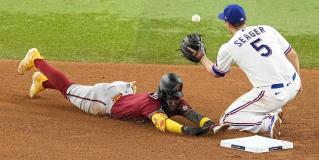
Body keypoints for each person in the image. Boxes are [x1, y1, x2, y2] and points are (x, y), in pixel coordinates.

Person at [17, 48, 229, 136]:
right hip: (104, 100)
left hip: (124, 89)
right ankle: (36, 58)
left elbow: (193, 115)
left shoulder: (175, 100)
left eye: (177, 97)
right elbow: (166, 124)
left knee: (69, 88)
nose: (177, 101)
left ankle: (43, 83)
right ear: (165, 95)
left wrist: (211, 125)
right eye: (173, 97)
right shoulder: (152, 106)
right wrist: (187, 131)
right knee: (68, 88)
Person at [198, 4, 301, 138]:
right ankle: (275, 110)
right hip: (294, 85)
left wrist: (201, 57)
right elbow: (293, 55)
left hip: (272, 95)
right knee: (266, 83)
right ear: (244, 19)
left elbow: (217, 72)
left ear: (228, 24)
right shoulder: (267, 29)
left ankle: (268, 121)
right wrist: (298, 81)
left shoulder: (229, 47)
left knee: (227, 119)